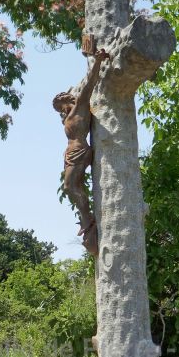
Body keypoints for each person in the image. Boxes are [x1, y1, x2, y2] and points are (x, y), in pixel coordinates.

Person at [52, 49, 109, 257]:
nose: (62, 112)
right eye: (60, 110)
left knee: (69, 186)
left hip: (79, 150)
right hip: (70, 153)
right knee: (71, 186)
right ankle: (86, 218)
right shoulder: (69, 115)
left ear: (68, 100)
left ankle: (87, 219)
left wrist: (98, 61)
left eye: (61, 107)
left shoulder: (80, 108)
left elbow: (89, 84)